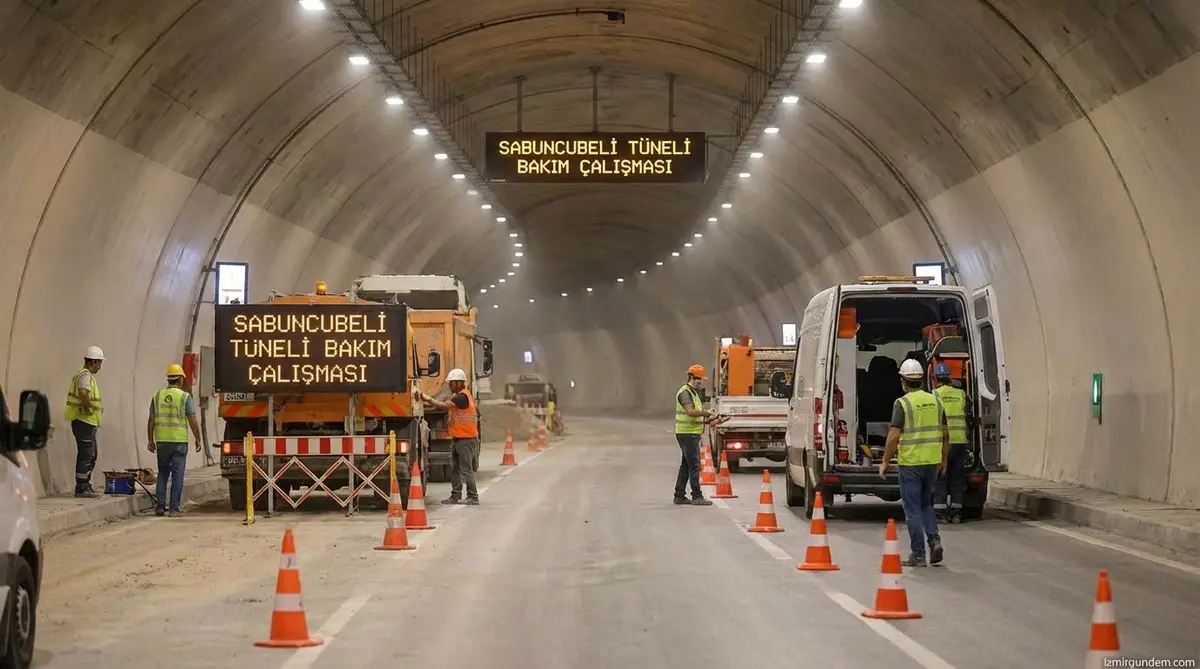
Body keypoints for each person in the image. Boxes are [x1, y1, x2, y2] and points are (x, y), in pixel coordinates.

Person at [879, 359, 948, 566]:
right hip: (931, 462)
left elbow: (893, 436)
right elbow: (946, 434)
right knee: (927, 505)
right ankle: (934, 541)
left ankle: (918, 554)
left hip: (911, 463)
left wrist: (885, 461)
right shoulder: (936, 402)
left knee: (913, 509)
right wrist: (943, 459)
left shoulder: (902, 403)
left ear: (903, 381)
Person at [417, 368, 480, 505]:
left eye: (452, 383)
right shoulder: (458, 396)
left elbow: (444, 406)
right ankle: (456, 495)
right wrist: (425, 401)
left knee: (466, 469)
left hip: (466, 439)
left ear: (459, 383)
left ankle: (472, 496)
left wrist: (427, 398)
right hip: (457, 438)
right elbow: (439, 407)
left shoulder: (462, 397)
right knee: (455, 469)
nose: (450, 386)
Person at [146, 364, 203, 517]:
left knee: (163, 473)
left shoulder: (157, 396)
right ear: (181, 379)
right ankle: (173, 509)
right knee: (177, 475)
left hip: (162, 441)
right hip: (179, 442)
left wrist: (150, 440)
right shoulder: (185, 397)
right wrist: (198, 439)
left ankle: (159, 506)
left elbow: (151, 420)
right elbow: (192, 420)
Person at [65, 346, 106, 498]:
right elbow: (83, 393)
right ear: (93, 362)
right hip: (83, 421)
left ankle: (85, 484)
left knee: (91, 454)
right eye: (99, 363)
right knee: (86, 454)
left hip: (88, 422)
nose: (100, 367)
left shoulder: (86, 375)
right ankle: (81, 487)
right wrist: (88, 408)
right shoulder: (85, 375)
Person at [931, 363, 969, 523]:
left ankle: (940, 511)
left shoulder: (934, 395)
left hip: (944, 442)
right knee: (957, 477)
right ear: (949, 377)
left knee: (941, 475)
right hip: (960, 441)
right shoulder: (960, 394)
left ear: (935, 379)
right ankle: (956, 512)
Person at [674, 364, 717, 506]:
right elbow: (690, 412)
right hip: (687, 434)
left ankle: (679, 495)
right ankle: (696, 496)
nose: (700, 381)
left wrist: (709, 420)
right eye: (698, 378)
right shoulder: (685, 393)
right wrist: (707, 413)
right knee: (694, 465)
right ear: (691, 377)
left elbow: (695, 416)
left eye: (701, 379)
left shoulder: (693, 393)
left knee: (686, 465)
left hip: (690, 432)